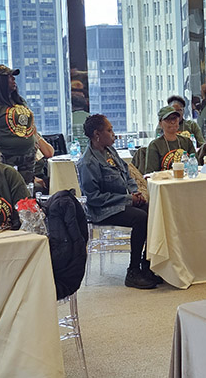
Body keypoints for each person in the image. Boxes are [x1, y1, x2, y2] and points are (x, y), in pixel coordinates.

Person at [77, 114, 158, 289]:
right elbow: (94, 198)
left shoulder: (110, 151)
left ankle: (148, 264)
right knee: (140, 218)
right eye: (109, 130)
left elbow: (127, 174)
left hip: (120, 202)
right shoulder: (88, 162)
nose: (114, 134)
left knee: (153, 211)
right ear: (97, 134)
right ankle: (133, 271)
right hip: (101, 210)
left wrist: (135, 192)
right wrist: (128, 199)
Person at [145, 106, 196, 173]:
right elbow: (151, 174)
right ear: (160, 124)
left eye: (175, 118)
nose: (172, 122)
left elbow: (196, 166)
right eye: (168, 119)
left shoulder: (187, 141)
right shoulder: (155, 145)